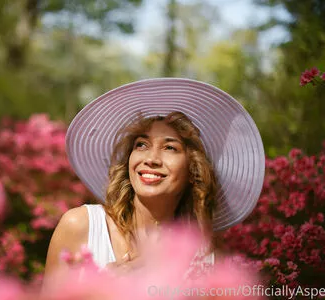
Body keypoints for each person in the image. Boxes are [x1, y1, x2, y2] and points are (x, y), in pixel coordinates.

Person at [43, 78, 265, 281]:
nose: (151, 159)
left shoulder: (207, 261)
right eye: (141, 145)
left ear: (193, 171)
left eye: (170, 147)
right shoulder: (80, 226)